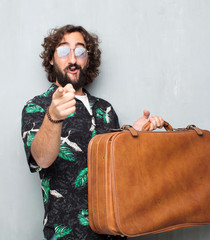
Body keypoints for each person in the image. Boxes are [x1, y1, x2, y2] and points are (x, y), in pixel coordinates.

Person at [21, 25, 164, 240]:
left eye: (80, 51)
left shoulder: (105, 109)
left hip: (115, 231)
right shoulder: (37, 107)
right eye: (63, 51)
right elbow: (41, 158)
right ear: (51, 59)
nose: (72, 59)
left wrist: (135, 136)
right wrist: (53, 117)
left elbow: (120, 170)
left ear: (87, 59)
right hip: (67, 234)